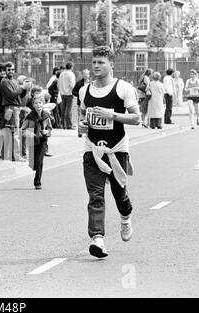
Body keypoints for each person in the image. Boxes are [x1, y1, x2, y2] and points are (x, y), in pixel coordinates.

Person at [78, 46, 141, 259]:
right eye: (94, 62)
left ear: (111, 64)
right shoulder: (84, 90)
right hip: (93, 150)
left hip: (116, 150)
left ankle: (125, 218)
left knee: (119, 193)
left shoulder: (123, 88)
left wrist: (112, 115)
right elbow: (82, 117)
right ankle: (97, 239)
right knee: (95, 196)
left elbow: (136, 118)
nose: (96, 66)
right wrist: (82, 126)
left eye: (101, 62)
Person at [0, 61, 31, 161]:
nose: (11, 71)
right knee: (15, 132)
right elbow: (12, 94)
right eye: (9, 69)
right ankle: (16, 156)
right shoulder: (4, 82)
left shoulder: (14, 81)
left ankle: (7, 155)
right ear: (5, 71)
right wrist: (22, 87)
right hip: (11, 108)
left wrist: (25, 89)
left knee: (12, 132)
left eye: (13, 69)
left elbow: (19, 96)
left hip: (15, 108)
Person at [22, 94, 52, 190]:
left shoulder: (46, 116)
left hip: (42, 140)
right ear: (33, 105)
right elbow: (23, 130)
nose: (38, 105)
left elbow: (49, 129)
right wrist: (28, 133)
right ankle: (35, 166)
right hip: (32, 142)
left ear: (43, 104)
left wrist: (46, 131)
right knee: (34, 163)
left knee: (39, 162)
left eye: (40, 103)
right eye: (36, 103)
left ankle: (37, 182)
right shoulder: (29, 117)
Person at [58, 62, 76, 129]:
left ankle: (63, 124)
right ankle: (69, 125)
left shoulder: (61, 74)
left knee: (63, 109)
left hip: (62, 93)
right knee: (69, 110)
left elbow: (59, 83)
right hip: (69, 94)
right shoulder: (71, 74)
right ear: (72, 67)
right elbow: (72, 85)